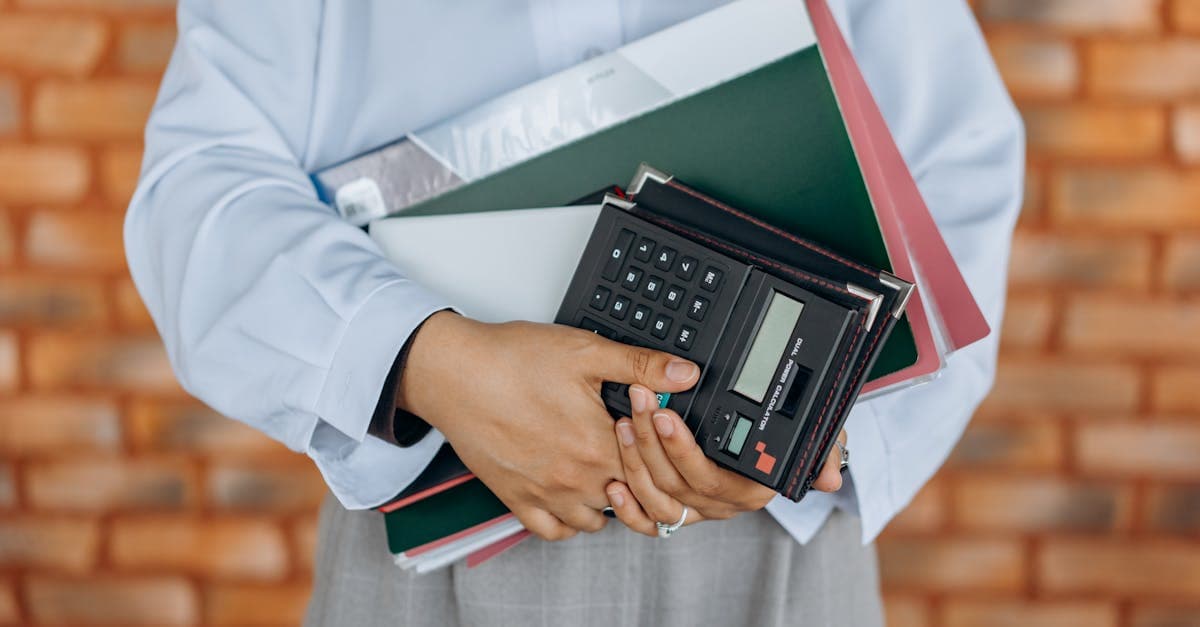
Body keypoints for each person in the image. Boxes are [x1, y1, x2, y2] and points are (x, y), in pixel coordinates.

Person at [124, 1, 1022, 625]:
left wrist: (827, 436)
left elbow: (957, 157)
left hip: (771, 538)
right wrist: (421, 358)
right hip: (440, 520)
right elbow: (198, 190)